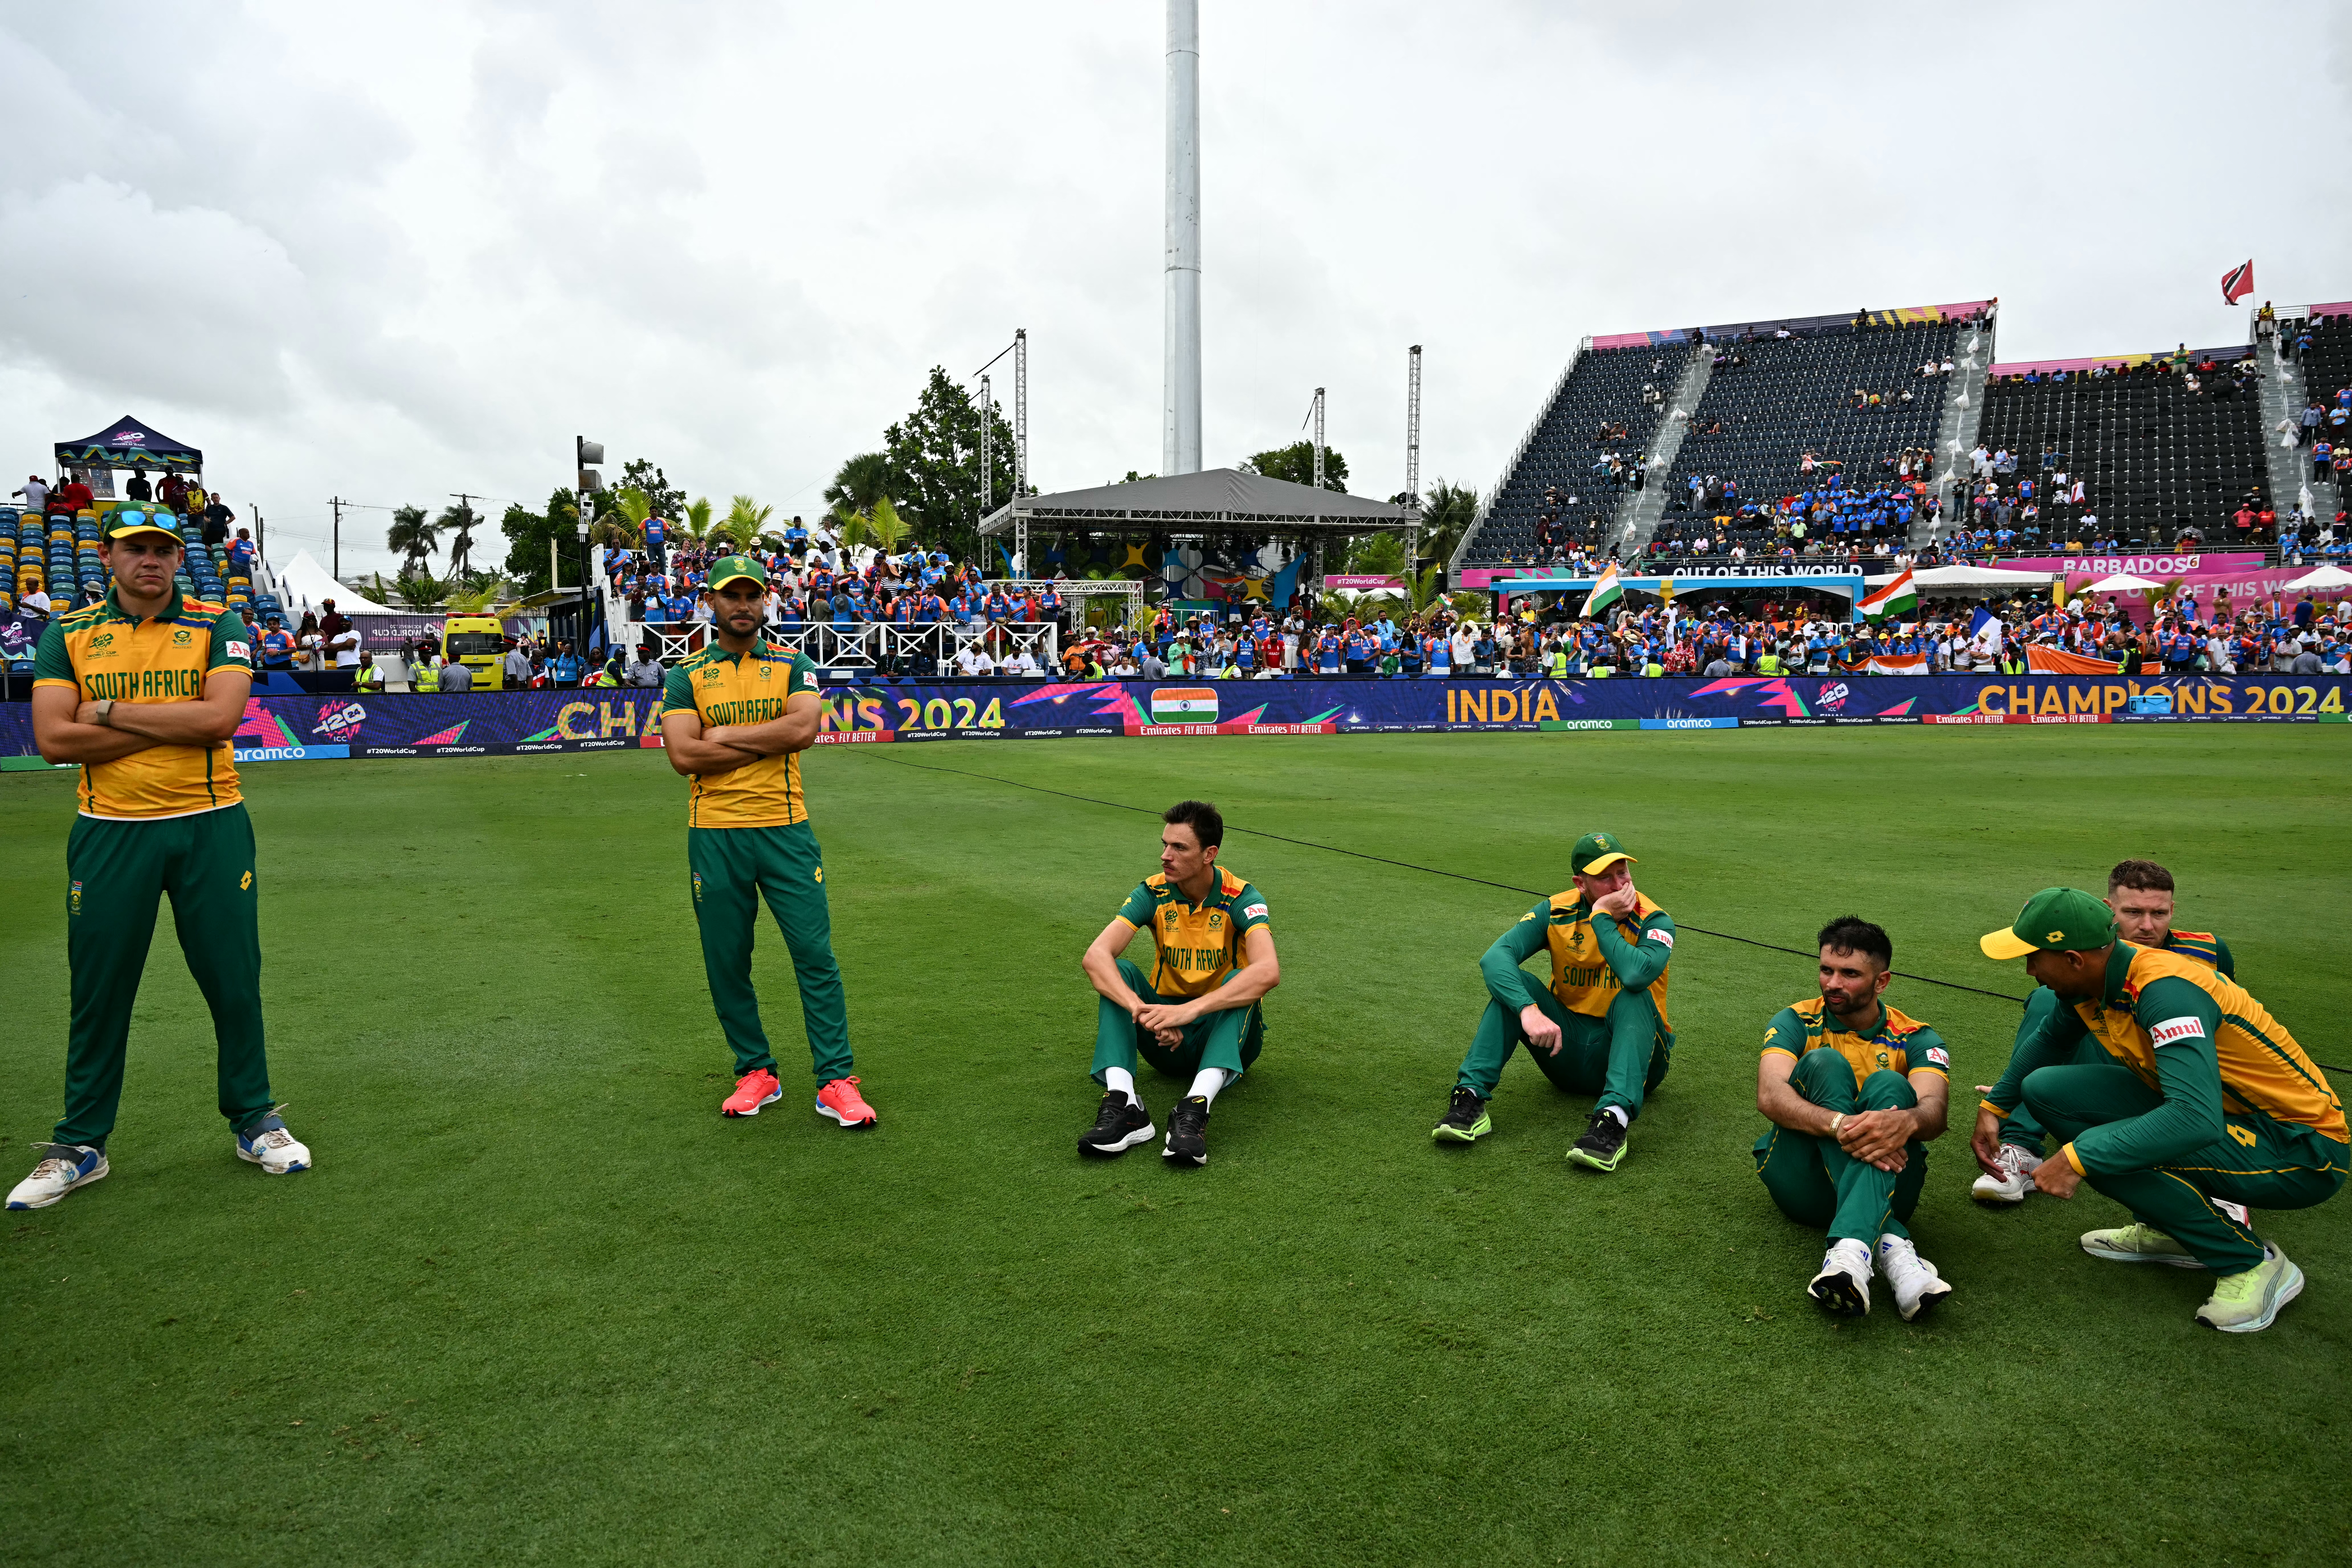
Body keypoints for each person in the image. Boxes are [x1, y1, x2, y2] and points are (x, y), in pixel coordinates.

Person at [7, 513, 309, 1211]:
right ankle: (80, 1144)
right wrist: (166, 721)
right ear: (109, 555)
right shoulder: (69, 632)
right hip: (109, 832)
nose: (151, 560)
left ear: (178, 559)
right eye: (136, 548)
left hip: (211, 826)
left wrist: (104, 712)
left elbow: (217, 722)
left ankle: (254, 1118)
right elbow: (54, 739)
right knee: (100, 990)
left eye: (163, 550)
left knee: (233, 981)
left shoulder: (219, 623)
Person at [1974, 888, 2346, 1333]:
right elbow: (2052, 1038)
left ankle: (2252, 1264)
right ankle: (2172, 1230)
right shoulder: (2099, 977)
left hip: (2300, 1148)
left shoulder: (2165, 992)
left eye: (2035, 958)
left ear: (2074, 959)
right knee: (2048, 1091)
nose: (2031, 970)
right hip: (2231, 1118)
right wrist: (1994, 1106)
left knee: (2098, 1148)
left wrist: (2079, 1157)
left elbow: (2195, 1117)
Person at [658, 555, 873, 1130]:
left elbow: (803, 729)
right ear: (712, 603)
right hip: (715, 835)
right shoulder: (687, 675)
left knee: (815, 956)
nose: (743, 605)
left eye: (753, 595)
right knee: (727, 962)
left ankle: (835, 1080)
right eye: (732, 596)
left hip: (786, 828)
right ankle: (756, 1071)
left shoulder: (793, 664)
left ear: (766, 601)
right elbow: (683, 755)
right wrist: (765, 739)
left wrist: (723, 735)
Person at [1972, 859, 2234, 1203]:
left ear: (2173, 909)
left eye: (2159, 913)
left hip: (2184, 1077)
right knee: (2047, 1001)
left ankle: (2223, 1186)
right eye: (2133, 912)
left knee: (2194, 1117)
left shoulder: (2209, 952)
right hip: (2119, 1058)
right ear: (2109, 910)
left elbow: (2224, 1034)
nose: (2146, 925)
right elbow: (2053, 1036)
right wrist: (2001, 1101)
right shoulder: (2083, 965)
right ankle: (2021, 1145)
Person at [1430, 831, 1674, 1170]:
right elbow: (1495, 957)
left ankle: (1613, 1120)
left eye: (1623, 872)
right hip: (1568, 1050)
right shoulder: (1555, 910)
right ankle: (1470, 1098)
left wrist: (1601, 917)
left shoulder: (1654, 919)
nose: (1620, 884)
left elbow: (1636, 975)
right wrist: (1527, 1009)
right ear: (1581, 883)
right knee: (1516, 986)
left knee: (1633, 995)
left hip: (1641, 1057)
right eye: (1605, 877)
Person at [1754, 918, 1954, 1320]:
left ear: (1881, 982)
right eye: (1826, 970)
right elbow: (1770, 1095)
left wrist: (1908, 1122)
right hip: (1804, 1182)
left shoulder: (1917, 1038)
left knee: (1892, 1090)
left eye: (1850, 974)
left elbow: (1935, 1112)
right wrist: (1840, 1125)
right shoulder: (1795, 1021)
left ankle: (1850, 1254)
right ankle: (1896, 1253)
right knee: (1824, 1063)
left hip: (1894, 1188)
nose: (1832, 983)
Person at [1077, 800, 1279, 1168]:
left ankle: (1194, 1109)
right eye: (1165, 845)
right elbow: (1095, 956)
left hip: (1227, 1035)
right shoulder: (1152, 893)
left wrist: (1189, 1011)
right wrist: (1143, 1012)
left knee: (1243, 979)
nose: (1165, 856)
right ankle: (1125, 1105)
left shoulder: (1242, 897)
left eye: (1179, 848)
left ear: (1209, 855)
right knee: (1118, 972)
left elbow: (1268, 972)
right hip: (1166, 1037)